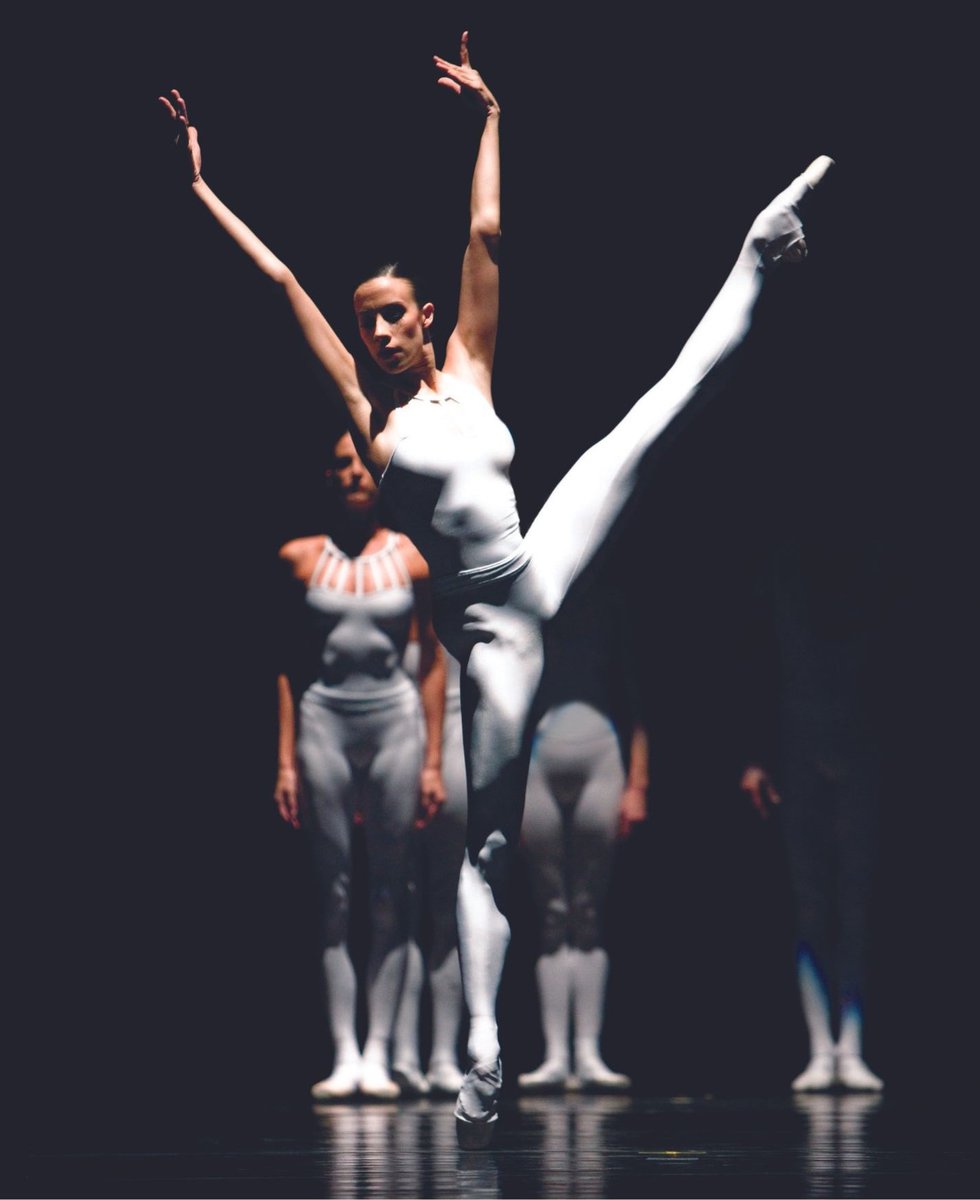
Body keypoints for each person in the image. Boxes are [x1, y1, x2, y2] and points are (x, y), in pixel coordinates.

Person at [160, 32, 833, 1144]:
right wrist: (201, 188)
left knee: (655, 409)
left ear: (422, 318)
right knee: (487, 845)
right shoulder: (372, 428)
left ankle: (758, 249)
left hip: (540, 558)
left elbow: (483, 233)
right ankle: (482, 1041)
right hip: (492, 632)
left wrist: (491, 116)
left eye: (389, 313)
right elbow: (281, 282)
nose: (374, 330)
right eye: (364, 317)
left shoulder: (468, 366)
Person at [274, 430, 446, 1100]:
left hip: (394, 720)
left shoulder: (413, 558)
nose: (352, 474)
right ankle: (343, 1051)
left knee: (389, 888)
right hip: (324, 719)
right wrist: (284, 760)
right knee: (335, 890)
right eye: (341, 464)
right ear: (327, 476)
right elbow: (286, 666)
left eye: (362, 465)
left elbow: (431, 660)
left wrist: (434, 759)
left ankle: (379, 1050)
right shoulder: (297, 558)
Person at [739, 499, 886, 1093]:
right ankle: (818, 1047)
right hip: (797, 752)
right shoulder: (781, 578)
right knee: (810, 902)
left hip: (861, 753)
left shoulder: (871, 587)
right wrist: (756, 758)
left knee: (854, 903)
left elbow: (889, 676)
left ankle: (851, 1043)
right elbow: (760, 666)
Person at [518, 583, 648, 1093]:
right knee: (552, 910)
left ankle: (589, 1052)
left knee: (589, 910)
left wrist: (638, 782)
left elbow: (636, 699)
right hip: (537, 760)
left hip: (601, 755)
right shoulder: (527, 602)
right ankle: (555, 1054)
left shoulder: (609, 604)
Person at [391, 644, 469, 1097]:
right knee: (398, 910)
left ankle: (443, 1054)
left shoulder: (465, 601)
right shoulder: (395, 598)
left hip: (455, 749)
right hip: (398, 744)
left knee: (447, 910)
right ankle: (402, 1052)